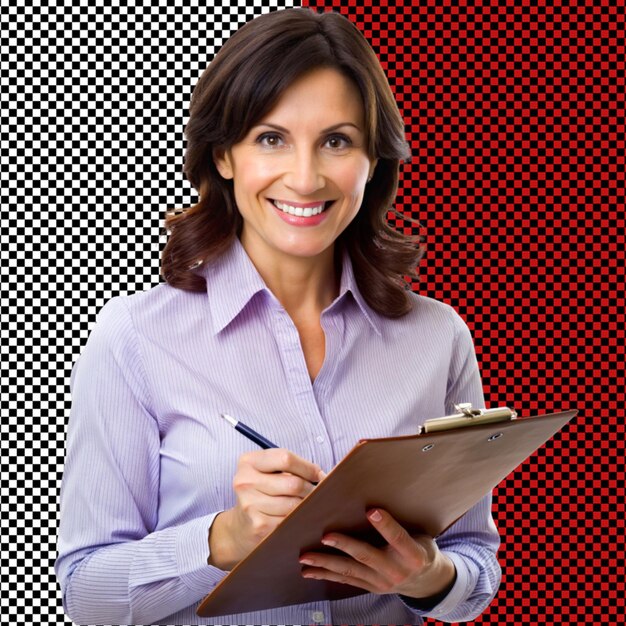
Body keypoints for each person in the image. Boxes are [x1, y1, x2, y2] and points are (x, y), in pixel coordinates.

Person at [55, 8, 501, 625]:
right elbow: (85, 595)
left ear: (374, 163)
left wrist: (427, 575)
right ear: (223, 157)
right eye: (271, 139)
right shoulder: (135, 338)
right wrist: (223, 539)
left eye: (337, 141)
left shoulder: (435, 337)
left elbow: (473, 561)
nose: (305, 176)